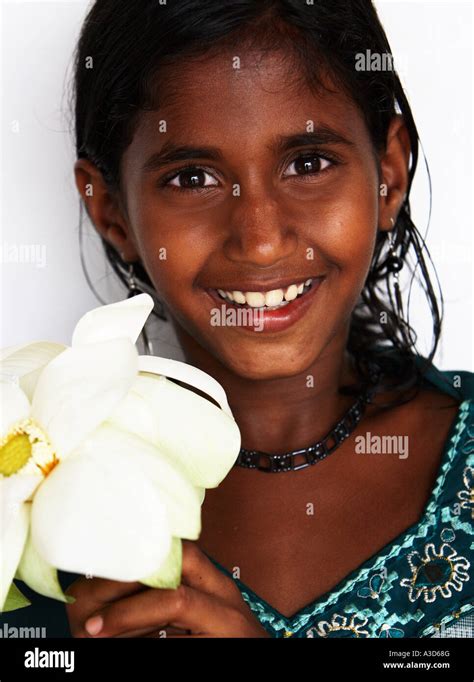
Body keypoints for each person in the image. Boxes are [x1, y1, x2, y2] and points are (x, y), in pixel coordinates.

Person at [3, 0, 473, 638]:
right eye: (192, 178)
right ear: (112, 212)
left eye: (307, 163)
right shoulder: (25, 508)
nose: (259, 241)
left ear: (388, 175)